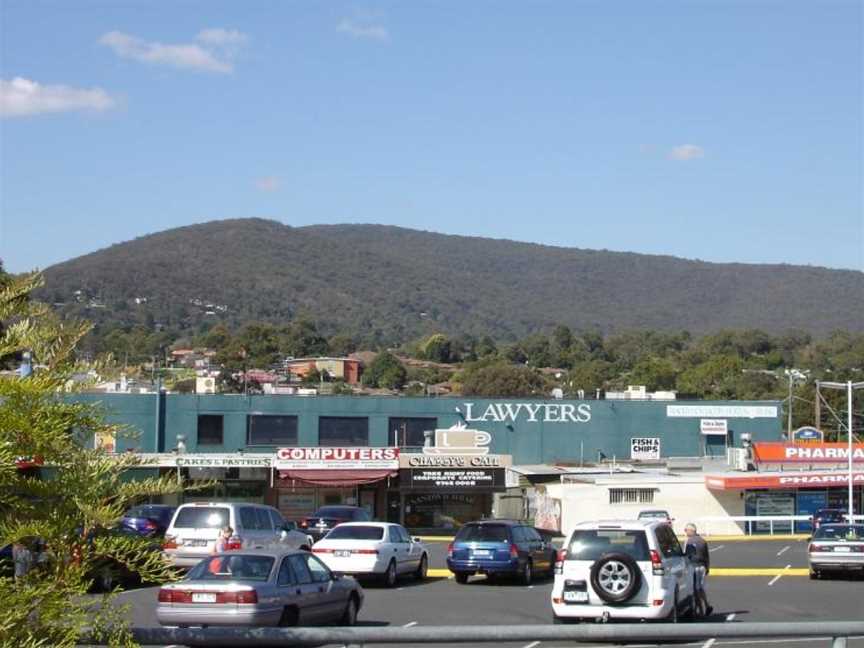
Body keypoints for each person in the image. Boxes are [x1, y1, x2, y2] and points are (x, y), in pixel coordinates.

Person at [683, 523, 713, 617]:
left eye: (686, 530)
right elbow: (706, 556)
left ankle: (699, 610)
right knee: (699, 587)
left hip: (694, 567)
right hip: (702, 567)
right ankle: (706, 606)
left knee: (695, 589)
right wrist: (707, 567)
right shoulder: (703, 541)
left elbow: (687, 556)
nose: (685, 532)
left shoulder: (689, 541)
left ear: (691, 531)